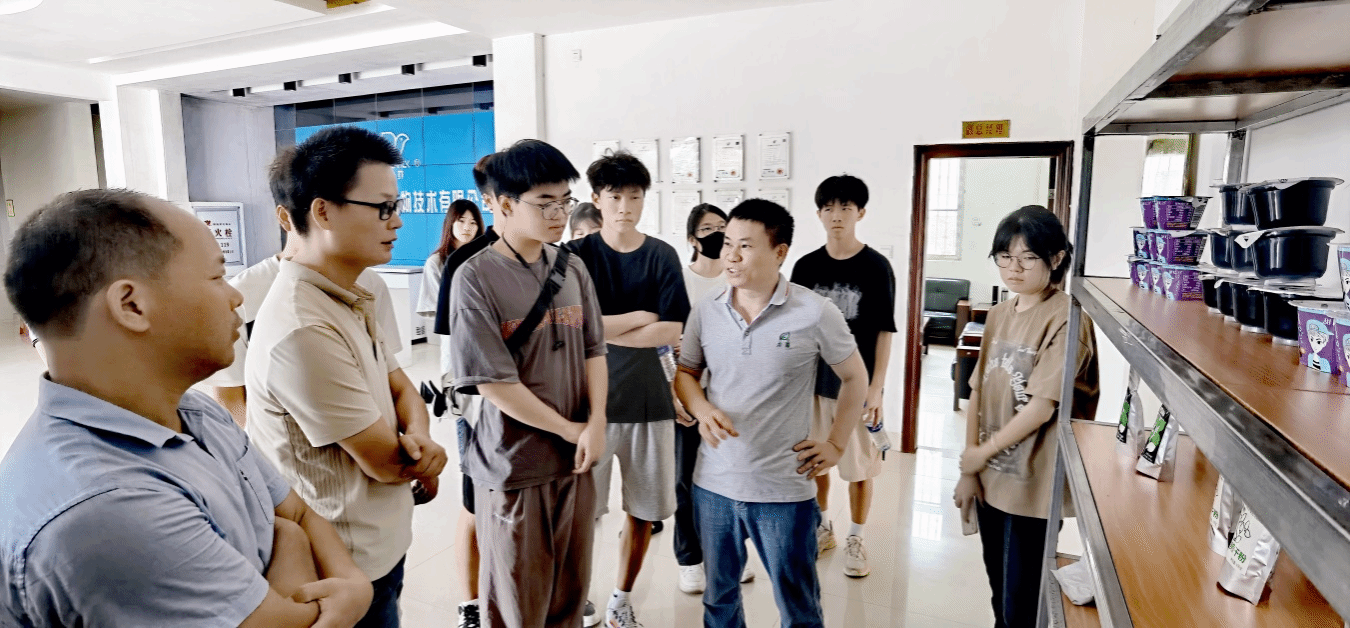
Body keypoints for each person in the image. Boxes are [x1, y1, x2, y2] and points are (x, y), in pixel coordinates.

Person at [0, 188, 372, 626]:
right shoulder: (106, 506)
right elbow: (288, 557)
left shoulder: (195, 413)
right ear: (132, 305)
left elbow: (297, 512)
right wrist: (291, 543)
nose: (235, 297)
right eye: (217, 277)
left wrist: (353, 583)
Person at [246, 126, 448, 628]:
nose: (397, 220)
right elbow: (383, 462)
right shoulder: (302, 327)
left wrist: (420, 434)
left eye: (396, 205)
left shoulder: (355, 289)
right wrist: (423, 459)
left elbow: (399, 383)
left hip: (381, 540)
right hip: (346, 562)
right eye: (382, 208)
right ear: (322, 212)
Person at [675, 199, 868, 628]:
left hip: (784, 490)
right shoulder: (707, 308)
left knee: (798, 608)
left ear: (779, 252)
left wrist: (837, 444)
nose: (730, 255)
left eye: (745, 246)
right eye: (727, 243)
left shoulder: (814, 311)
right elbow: (686, 373)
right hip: (713, 484)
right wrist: (702, 407)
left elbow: (855, 377)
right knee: (719, 601)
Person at [447, 139, 607, 628]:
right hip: (515, 464)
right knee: (518, 602)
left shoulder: (572, 266)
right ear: (504, 204)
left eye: (564, 201)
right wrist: (571, 429)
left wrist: (597, 422)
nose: (559, 214)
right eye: (545, 203)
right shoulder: (474, 276)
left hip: (576, 461)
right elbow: (493, 382)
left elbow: (594, 350)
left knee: (570, 595)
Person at [952, 205, 1100, 628]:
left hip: (1034, 485)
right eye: (1005, 256)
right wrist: (971, 467)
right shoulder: (1000, 314)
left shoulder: (1068, 318)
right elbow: (977, 392)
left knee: (1022, 603)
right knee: (999, 593)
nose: (1013, 268)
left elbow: (1041, 407)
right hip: (991, 478)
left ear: (1056, 258)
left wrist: (981, 455)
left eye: (1027, 257)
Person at [566, 151, 689, 628]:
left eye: (634, 197)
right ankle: (579, 596)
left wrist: (600, 328)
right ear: (597, 199)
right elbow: (572, 327)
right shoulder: (576, 256)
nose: (625, 207)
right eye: (615, 197)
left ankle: (621, 598)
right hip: (587, 407)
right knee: (583, 513)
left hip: (650, 401)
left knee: (645, 510)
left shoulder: (661, 255)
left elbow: (672, 329)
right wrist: (640, 317)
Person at [205, 146, 403, 428]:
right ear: (286, 217)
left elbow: (387, 375)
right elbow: (230, 394)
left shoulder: (370, 285)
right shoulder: (242, 294)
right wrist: (259, 447)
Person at [788, 175, 896, 577]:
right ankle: (823, 528)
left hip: (857, 387)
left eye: (845, 208)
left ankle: (856, 537)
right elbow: (794, 329)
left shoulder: (876, 267)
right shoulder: (805, 266)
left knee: (859, 468)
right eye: (829, 208)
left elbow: (884, 331)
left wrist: (877, 388)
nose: (836, 215)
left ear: (860, 213)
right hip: (812, 385)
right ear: (818, 214)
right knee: (815, 462)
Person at [431, 153, 502, 628]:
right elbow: (451, 344)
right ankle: (471, 602)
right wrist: (454, 391)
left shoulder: (554, 262)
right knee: (475, 502)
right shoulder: (458, 265)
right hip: (473, 400)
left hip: (526, 412)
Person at [672, 202, 741, 595]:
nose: (716, 235)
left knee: (729, 481)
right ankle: (690, 559)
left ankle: (728, 556)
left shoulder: (736, 282)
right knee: (685, 481)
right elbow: (666, 344)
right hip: (686, 393)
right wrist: (672, 392)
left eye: (722, 227)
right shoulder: (679, 281)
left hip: (730, 394)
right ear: (692, 239)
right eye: (707, 229)